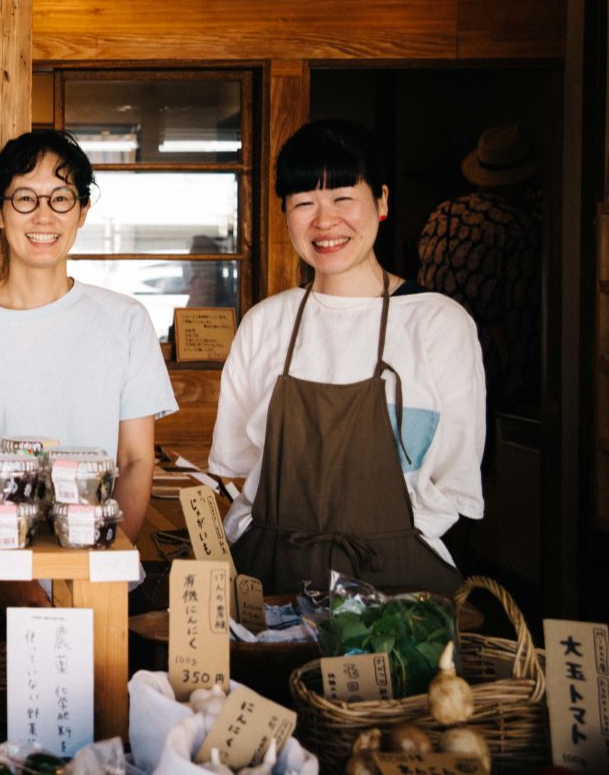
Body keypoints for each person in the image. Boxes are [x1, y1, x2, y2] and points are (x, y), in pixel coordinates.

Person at [0, 129, 177, 637]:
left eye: (61, 198)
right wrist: (10, 579)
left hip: (102, 587)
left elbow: (137, 460)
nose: (43, 216)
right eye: (25, 198)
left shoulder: (124, 320)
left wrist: (98, 561)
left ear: (82, 211)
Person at [212, 119, 485, 596]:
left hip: (397, 584)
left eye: (343, 198)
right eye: (304, 203)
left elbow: (457, 484)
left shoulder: (439, 324)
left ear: (381, 202)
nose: (324, 221)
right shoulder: (264, 324)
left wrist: (387, 541)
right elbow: (237, 465)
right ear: (285, 214)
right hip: (271, 578)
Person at [418, 122, 542, 413]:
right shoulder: (518, 230)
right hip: (483, 368)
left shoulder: (442, 214)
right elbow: (521, 317)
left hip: (430, 356)